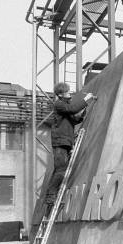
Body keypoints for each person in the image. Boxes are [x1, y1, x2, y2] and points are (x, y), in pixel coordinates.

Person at [44, 82, 95, 211]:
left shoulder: (65, 106)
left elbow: (74, 119)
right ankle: (50, 197)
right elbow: (73, 109)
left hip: (66, 142)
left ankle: (51, 196)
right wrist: (86, 99)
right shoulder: (59, 104)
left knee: (60, 170)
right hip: (60, 141)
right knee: (60, 170)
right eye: (67, 92)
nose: (69, 93)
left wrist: (83, 112)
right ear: (60, 94)